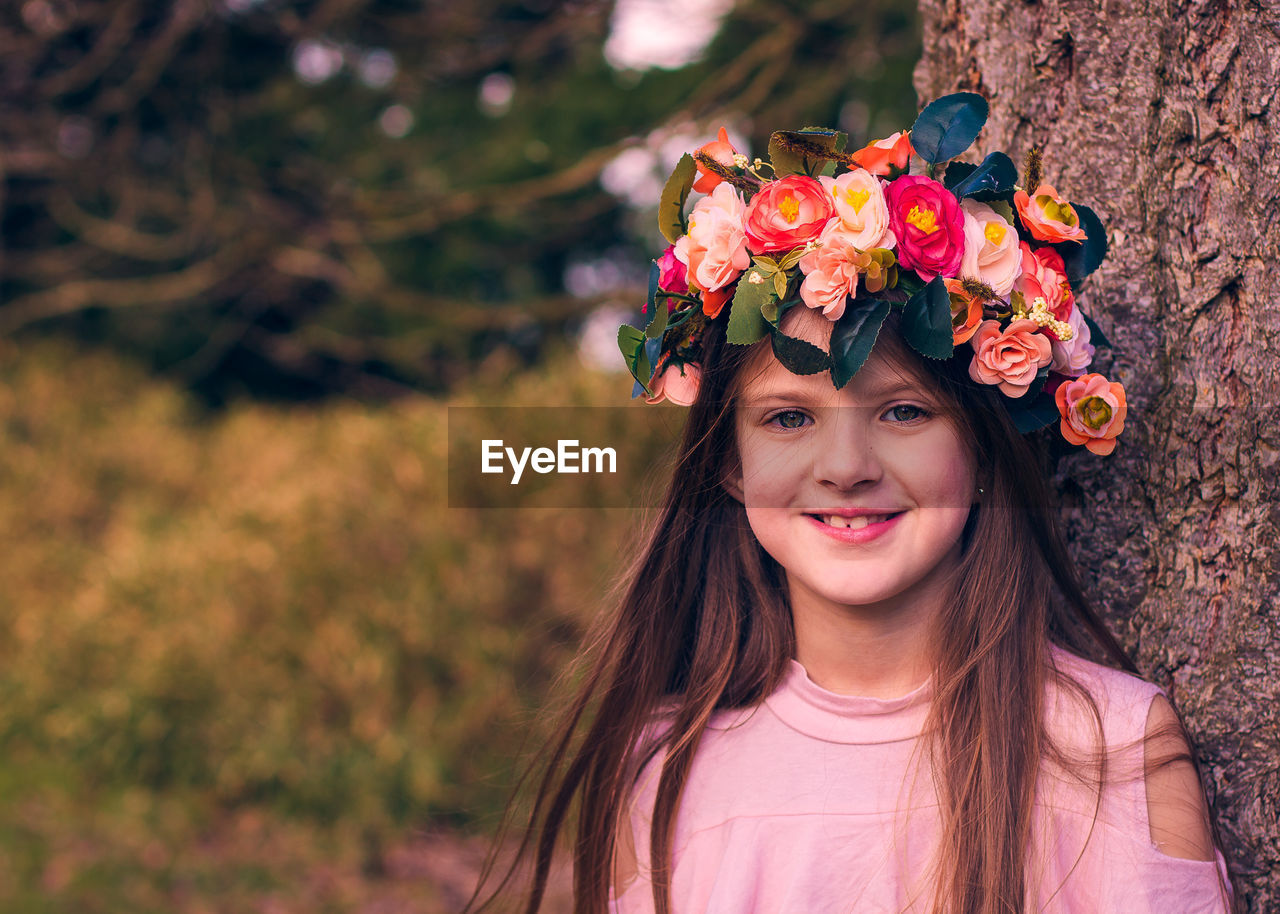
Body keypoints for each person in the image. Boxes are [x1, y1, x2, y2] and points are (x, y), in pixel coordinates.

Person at [469, 96, 1237, 913]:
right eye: (789, 418)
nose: (844, 468)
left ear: (980, 442)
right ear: (727, 462)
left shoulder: (1115, 749)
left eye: (903, 411)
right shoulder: (664, 769)